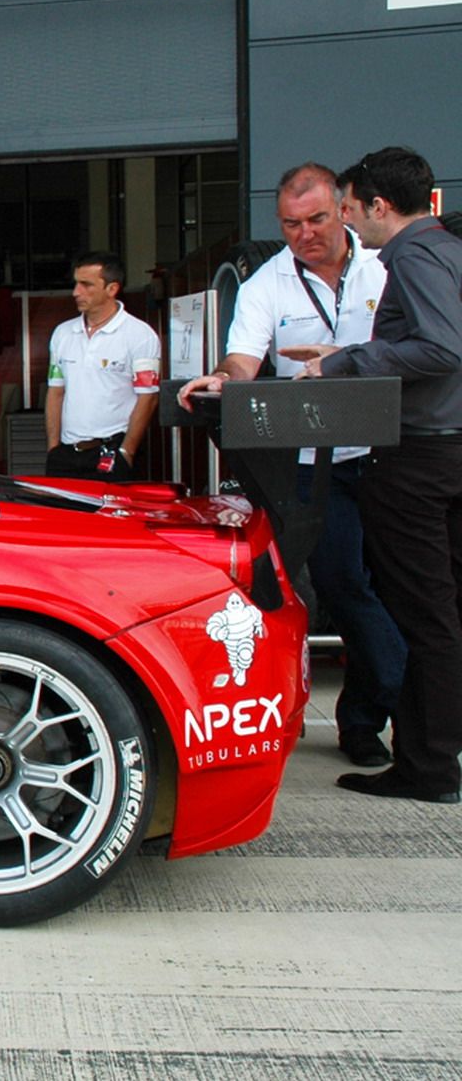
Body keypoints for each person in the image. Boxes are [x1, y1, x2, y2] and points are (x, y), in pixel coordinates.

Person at [176, 163, 406, 767]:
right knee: (344, 587)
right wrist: (223, 379)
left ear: (345, 211)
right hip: (313, 465)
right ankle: (371, 712)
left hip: (391, 454)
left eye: (316, 220)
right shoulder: (267, 284)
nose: (304, 234)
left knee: (406, 589)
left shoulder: (387, 266)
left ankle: (386, 714)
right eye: (290, 224)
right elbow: (243, 359)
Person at [285, 148, 462, 805]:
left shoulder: (411, 257)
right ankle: (436, 755)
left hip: (416, 459)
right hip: (448, 450)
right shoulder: (448, 250)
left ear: (378, 207)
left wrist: (345, 363)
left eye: (351, 210)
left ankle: (429, 766)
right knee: (443, 616)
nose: (351, 224)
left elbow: (442, 348)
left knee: (422, 617)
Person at [43, 251, 160, 479]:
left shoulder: (140, 335)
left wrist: (127, 451)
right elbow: (56, 392)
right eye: (76, 284)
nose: (76, 292)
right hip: (65, 454)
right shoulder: (62, 333)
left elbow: (148, 397)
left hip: (112, 451)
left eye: (86, 285)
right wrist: (53, 447)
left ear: (112, 289)